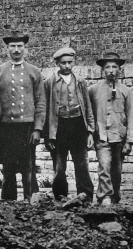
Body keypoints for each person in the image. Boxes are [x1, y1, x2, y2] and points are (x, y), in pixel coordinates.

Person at [0, 33, 45, 201]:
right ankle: (8, 203)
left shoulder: (34, 72)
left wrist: (37, 128)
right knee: (8, 168)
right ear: (7, 49)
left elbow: (40, 101)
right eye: (12, 46)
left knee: (29, 168)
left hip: (26, 127)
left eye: (20, 46)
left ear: (25, 48)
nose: (16, 50)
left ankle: (31, 201)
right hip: (5, 127)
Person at [44, 47, 95, 203]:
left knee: (81, 164)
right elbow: (45, 109)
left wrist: (90, 131)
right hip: (59, 126)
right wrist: (48, 135)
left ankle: (85, 196)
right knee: (59, 165)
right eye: (63, 63)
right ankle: (60, 196)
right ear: (57, 63)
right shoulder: (49, 83)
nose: (67, 66)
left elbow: (88, 107)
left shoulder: (80, 82)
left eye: (70, 63)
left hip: (78, 124)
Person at [89, 51, 133, 207]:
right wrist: (90, 131)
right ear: (102, 70)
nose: (110, 70)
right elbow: (89, 114)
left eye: (114, 67)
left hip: (119, 136)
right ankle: (105, 196)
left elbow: (130, 117)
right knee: (104, 165)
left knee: (117, 169)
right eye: (107, 67)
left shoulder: (126, 91)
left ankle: (115, 196)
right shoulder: (93, 90)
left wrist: (130, 141)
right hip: (101, 135)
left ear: (119, 70)